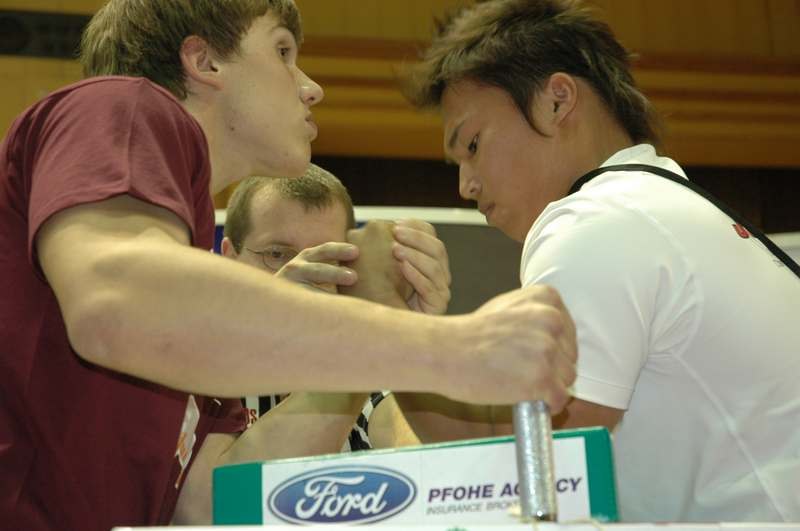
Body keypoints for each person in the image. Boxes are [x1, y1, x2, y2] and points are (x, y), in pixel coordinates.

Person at [0, 1, 578, 529]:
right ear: (204, 62)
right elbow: (114, 301)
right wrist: (454, 349)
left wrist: (370, 316)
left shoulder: (184, 276)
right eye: (282, 52)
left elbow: (206, 501)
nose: (312, 88)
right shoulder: (120, 106)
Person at [403, 0, 800, 522]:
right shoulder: (657, 205)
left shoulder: (596, 220)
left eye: (473, 145)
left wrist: (390, 333)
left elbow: (525, 466)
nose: (465, 185)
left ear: (556, 100)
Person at [221, 167, 430, 451]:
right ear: (229, 258)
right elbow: (213, 490)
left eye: (327, 258)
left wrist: (409, 336)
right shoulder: (194, 372)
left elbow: (419, 455)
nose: (307, 274)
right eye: (277, 254)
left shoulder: (366, 361)